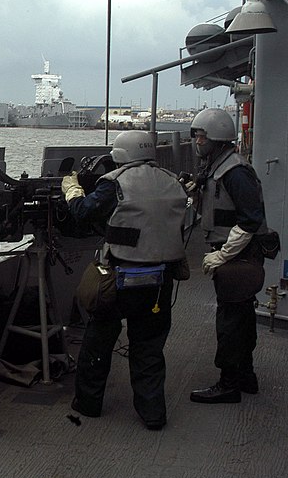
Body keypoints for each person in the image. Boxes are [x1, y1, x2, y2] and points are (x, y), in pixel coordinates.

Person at [61, 130, 188, 430]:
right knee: (148, 348)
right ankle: (153, 413)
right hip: (160, 284)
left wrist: (72, 189)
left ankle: (88, 405)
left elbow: (83, 212)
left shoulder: (114, 183)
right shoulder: (173, 181)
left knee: (98, 343)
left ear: (120, 155)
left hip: (119, 281)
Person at [188, 108, 268, 404]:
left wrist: (223, 255)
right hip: (236, 255)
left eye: (200, 135)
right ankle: (246, 376)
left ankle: (229, 383)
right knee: (242, 316)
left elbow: (250, 219)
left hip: (239, 256)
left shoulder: (235, 172)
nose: (197, 141)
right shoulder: (219, 167)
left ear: (215, 138)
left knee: (231, 320)